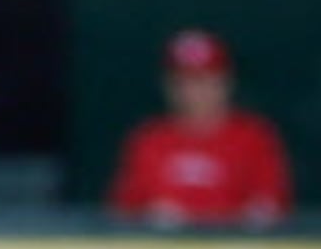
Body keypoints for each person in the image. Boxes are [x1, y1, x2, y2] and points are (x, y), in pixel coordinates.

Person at [107, 28, 292, 228]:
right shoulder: (148, 139)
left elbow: (269, 208)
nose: (193, 91)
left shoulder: (254, 137)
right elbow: (121, 214)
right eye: (183, 82)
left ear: (226, 83)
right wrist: (150, 218)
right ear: (168, 86)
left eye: (204, 80)